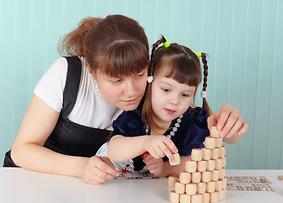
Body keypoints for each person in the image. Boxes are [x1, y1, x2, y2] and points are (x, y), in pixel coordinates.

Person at [4, 14, 248, 185]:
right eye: (116, 81)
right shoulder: (67, 75)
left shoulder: (153, 89)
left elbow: (196, 117)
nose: (131, 91)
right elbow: (22, 152)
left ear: (149, 69)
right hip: (35, 182)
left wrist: (228, 123)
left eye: (139, 75)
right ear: (92, 71)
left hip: (95, 191)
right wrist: (81, 167)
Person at [98, 36, 245, 177]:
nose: (174, 101)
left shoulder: (191, 121)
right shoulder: (137, 113)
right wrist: (145, 142)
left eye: (185, 95)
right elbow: (114, 149)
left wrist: (165, 169)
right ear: (150, 81)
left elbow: (196, 161)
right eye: (166, 90)